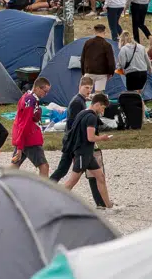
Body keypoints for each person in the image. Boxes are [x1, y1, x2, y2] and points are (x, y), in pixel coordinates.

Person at [50, 76, 105, 209]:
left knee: (66, 170)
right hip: (74, 142)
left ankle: (100, 202)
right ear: (80, 86)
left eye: (90, 88)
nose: (88, 90)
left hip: (74, 141)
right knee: (70, 171)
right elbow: (75, 125)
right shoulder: (77, 102)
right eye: (86, 87)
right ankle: (100, 202)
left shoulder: (81, 101)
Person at [59, 93, 115, 210]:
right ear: (97, 104)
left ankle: (108, 205)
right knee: (72, 181)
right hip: (83, 154)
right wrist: (102, 138)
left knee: (100, 177)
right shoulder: (92, 117)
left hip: (87, 154)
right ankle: (54, 201)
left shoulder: (82, 113)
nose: (103, 111)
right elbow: (91, 137)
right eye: (103, 108)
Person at [11, 76, 51, 178]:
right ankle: (43, 188)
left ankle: (2, 184)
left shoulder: (27, 96)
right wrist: (20, 146)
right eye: (45, 91)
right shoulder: (30, 100)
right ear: (37, 88)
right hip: (29, 139)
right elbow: (25, 123)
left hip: (23, 137)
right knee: (44, 166)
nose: (46, 94)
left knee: (15, 165)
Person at [80, 24, 116, 91]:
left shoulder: (87, 43)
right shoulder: (107, 45)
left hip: (89, 72)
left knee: (85, 93)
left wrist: (83, 72)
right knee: (98, 94)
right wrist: (111, 72)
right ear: (104, 32)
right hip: (102, 74)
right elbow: (111, 62)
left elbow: (82, 59)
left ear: (95, 31)